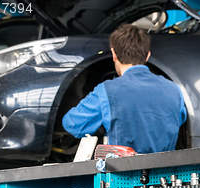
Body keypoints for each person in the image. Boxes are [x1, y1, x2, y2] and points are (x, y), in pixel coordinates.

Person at [62, 24, 187, 154]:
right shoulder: (174, 90)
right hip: (165, 172)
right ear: (147, 56)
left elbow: (73, 125)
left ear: (114, 54)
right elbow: (179, 120)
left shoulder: (107, 91)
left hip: (123, 172)